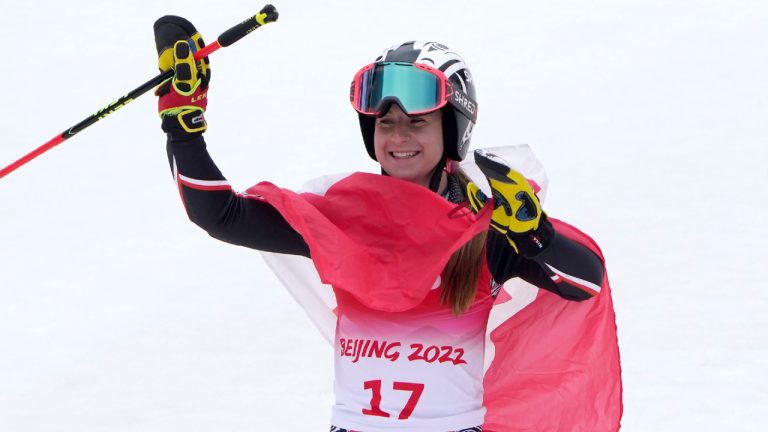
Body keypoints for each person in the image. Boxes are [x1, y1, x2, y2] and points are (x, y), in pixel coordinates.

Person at [154, 16, 621, 432]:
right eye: (385, 122)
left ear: (453, 130)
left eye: (417, 123)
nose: (398, 137)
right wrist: (183, 125)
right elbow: (220, 215)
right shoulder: (342, 220)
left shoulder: (485, 232)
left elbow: (585, 282)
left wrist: (532, 235)